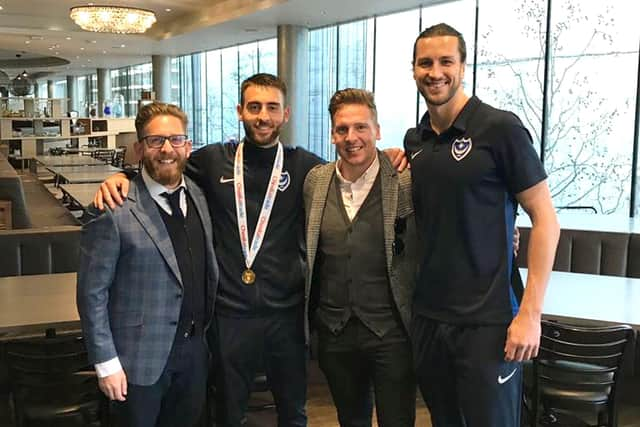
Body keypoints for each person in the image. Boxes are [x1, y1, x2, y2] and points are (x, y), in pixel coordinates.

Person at [94, 73, 323, 427]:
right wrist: (120, 177)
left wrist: (391, 156)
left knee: (294, 412)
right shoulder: (214, 160)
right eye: (254, 106)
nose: (263, 115)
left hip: (286, 317)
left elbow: (350, 174)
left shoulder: (305, 166)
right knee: (228, 413)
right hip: (229, 317)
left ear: (286, 114)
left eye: (272, 107)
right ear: (240, 111)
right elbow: (165, 164)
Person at [404, 23, 560, 426]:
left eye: (445, 62)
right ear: (414, 69)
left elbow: (545, 219)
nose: (434, 72)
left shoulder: (499, 128)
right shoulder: (415, 140)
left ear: (463, 66)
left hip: (488, 322)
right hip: (430, 318)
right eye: (425, 63)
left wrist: (530, 314)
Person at [77, 102, 219, 427]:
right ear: (140, 148)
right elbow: (91, 294)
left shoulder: (198, 195)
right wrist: (105, 363)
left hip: (195, 354)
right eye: (156, 141)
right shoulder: (112, 208)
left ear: (188, 146)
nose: (167, 149)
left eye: (176, 139)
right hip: (136, 363)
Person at [303, 88, 417, 427]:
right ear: (332, 134)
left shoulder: (406, 178)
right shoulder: (315, 181)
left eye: (361, 127)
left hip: (392, 332)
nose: (351, 137)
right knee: (350, 420)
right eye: (342, 129)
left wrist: (506, 231)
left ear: (378, 131)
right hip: (334, 332)